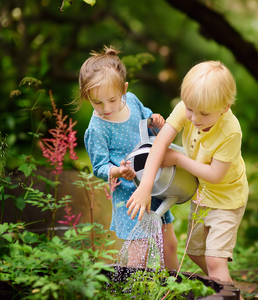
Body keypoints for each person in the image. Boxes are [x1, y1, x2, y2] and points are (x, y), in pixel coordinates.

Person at [126, 61, 248, 288]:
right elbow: (161, 143)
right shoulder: (189, 108)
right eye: (190, 109)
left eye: (203, 113)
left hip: (227, 200)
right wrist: (145, 187)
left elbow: (214, 175)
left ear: (225, 106)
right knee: (194, 253)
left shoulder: (231, 132)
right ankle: (226, 288)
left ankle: (225, 291)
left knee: (214, 259)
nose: (194, 118)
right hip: (202, 196)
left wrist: (179, 159)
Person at [74, 45, 179, 270]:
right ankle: (132, 292)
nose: (106, 108)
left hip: (153, 184)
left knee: (168, 245)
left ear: (124, 89)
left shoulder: (131, 100)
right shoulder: (97, 129)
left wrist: (156, 122)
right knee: (138, 254)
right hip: (129, 196)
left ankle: (173, 287)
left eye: (112, 99)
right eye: (97, 102)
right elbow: (100, 167)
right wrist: (118, 171)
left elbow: (147, 123)